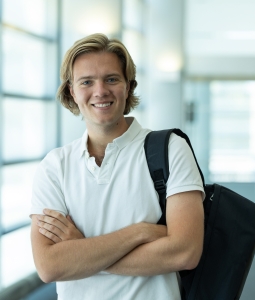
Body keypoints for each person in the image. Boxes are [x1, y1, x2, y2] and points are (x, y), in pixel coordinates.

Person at [30, 33, 205, 300]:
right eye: (86, 81)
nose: (100, 91)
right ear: (71, 91)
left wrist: (80, 251)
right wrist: (141, 231)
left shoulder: (170, 149)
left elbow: (185, 252)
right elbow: (49, 265)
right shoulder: (54, 167)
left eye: (111, 79)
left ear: (128, 86)